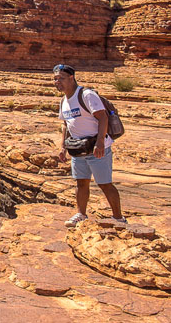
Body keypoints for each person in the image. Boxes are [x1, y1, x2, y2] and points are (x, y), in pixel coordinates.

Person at [53, 64, 126, 228]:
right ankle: (81, 214)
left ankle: (119, 218)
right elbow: (66, 125)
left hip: (96, 147)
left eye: (61, 78)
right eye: (55, 79)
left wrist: (100, 142)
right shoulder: (63, 101)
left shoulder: (86, 95)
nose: (57, 82)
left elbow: (103, 118)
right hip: (78, 148)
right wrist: (63, 147)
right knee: (81, 182)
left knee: (105, 183)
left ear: (71, 78)